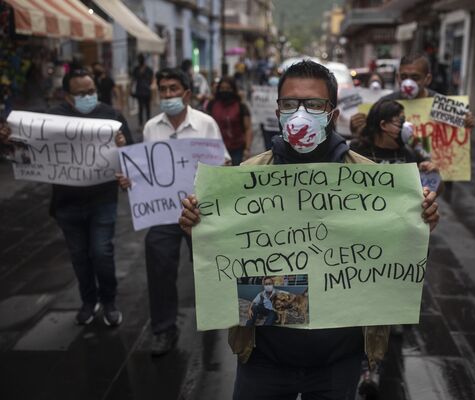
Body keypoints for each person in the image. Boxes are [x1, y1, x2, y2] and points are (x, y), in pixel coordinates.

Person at [178, 60, 439, 398]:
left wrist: (422, 227)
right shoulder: (245, 179)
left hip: (338, 362)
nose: (300, 112)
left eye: (314, 104)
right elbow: (221, 264)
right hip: (263, 359)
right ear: (278, 110)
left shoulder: (371, 181)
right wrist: (196, 230)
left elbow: (396, 263)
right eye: (290, 104)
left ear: (331, 114)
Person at [0, 68, 133, 327]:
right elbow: (25, 148)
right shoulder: (52, 119)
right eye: (82, 94)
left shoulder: (111, 115)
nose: (89, 97)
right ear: (68, 97)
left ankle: (109, 302)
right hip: (67, 204)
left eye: (92, 91)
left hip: (102, 200)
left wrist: (122, 145)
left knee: (102, 252)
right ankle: (88, 301)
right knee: (79, 255)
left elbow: (132, 152)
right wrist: (7, 140)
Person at [116, 68, 229, 356]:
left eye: (173, 89)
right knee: (159, 268)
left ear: (187, 94)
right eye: (163, 89)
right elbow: (147, 168)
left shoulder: (206, 124)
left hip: (199, 213)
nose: (168, 95)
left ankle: (214, 316)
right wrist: (132, 178)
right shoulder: (152, 127)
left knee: (205, 266)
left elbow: (223, 163)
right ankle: (164, 329)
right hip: (163, 213)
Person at [350, 53, 475, 137]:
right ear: (398, 77)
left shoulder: (442, 105)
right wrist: (357, 128)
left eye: (415, 77)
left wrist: (467, 123)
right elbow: (369, 137)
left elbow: (458, 138)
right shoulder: (384, 104)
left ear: (428, 79)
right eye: (404, 77)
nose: (408, 83)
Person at [206, 76, 253, 165]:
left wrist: (247, 149)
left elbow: (248, 129)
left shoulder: (241, 106)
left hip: (237, 149)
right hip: (216, 148)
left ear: (233, 90)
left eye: (228, 88)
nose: (225, 91)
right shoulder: (212, 105)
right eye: (222, 88)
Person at [131, 54, 154, 128]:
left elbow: (151, 79)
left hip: (147, 90)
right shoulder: (136, 69)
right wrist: (131, 89)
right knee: (140, 108)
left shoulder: (148, 69)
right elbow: (133, 79)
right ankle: (140, 124)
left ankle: (148, 123)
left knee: (147, 108)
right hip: (140, 91)